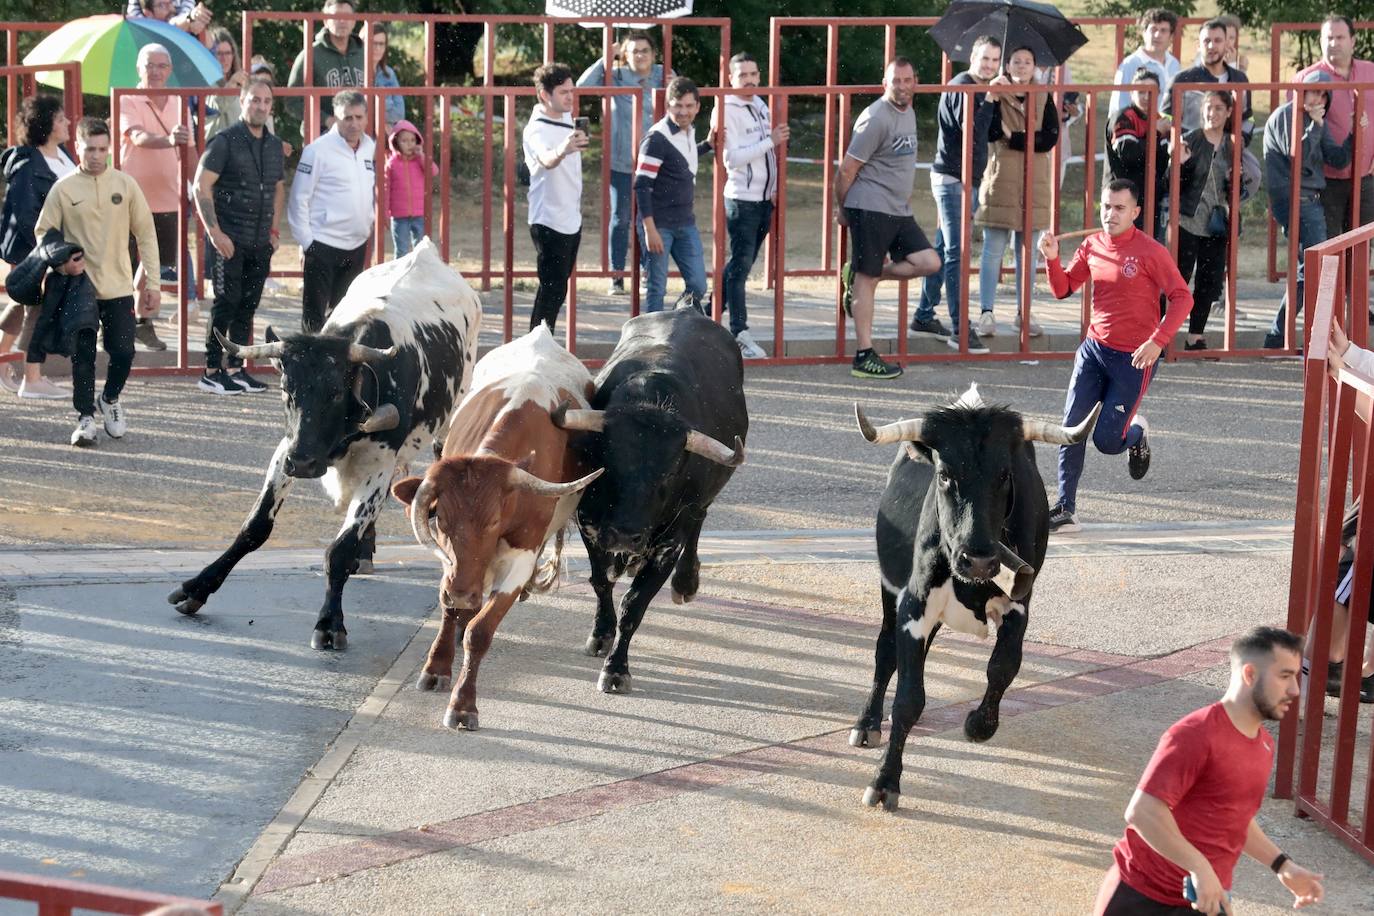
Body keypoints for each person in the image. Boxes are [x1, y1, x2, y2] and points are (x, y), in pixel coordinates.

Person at [1092, 626, 1325, 915]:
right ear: (1250, 675)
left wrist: (1282, 865)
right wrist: (1199, 866)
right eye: (1285, 676)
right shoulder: (1195, 734)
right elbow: (1143, 811)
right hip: (1142, 899)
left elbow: (1233, 817)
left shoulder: (1263, 744)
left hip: (1206, 898)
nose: (1295, 690)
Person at [1038, 180, 1192, 534]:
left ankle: (1136, 434)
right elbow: (1063, 288)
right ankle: (1066, 508)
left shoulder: (1151, 252)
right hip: (1093, 351)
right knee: (1070, 428)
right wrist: (1051, 260)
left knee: (1107, 442)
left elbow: (1183, 297)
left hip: (1135, 359)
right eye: (1106, 207)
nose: (1110, 214)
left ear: (1135, 212)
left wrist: (1158, 341)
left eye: (1119, 208)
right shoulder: (1092, 245)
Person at [35, 117, 160, 447]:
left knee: (123, 352)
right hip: (79, 287)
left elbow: (146, 234)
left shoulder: (125, 184)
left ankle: (111, 398)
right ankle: (85, 418)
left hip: (119, 286)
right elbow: (42, 233)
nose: (96, 156)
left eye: (103, 149)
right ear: (77, 146)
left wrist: (153, 284)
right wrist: (62, 263)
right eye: (90, 149)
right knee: (83, 355)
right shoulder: (63, 189)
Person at [837, 58, 940, 380]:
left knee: (929, 262)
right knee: (866, 281)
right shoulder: (876, 118)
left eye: (907, 80)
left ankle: (860, 276)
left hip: (897, 209)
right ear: (885, 82)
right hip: (869, 206)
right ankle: (863, 355)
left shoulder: (907, 111)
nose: (902, 86)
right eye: (896, 80)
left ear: (915, 82)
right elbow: (847, 169)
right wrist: (842, 209)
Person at [193, 76, 285, 395]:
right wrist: (214, 232)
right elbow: (200, 186)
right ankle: (211, 371)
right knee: (226, 303)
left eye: (266, 101)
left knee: (247, 305)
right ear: (242, 101)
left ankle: (235, 368)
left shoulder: (274, 146)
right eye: (254, 100)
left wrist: (274, 231)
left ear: (271, 107)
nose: (260, 106)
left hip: (260, 242)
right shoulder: (225, 141)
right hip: (228, 239)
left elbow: (277, 187)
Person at [912, 34, 1001, 350]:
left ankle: (923, 314)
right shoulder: (963, 85)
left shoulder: (982, 90)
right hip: (952, 179)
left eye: (994, 59)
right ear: (972, 57)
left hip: (968, 180)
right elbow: (972, 134)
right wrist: (989, 100)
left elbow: (994, 131)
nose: (989, 65)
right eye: (984, 58)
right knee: (956, 252)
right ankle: (960, 329)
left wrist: (997, 100)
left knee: (942, 248)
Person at [1263, 70, 1352, 350]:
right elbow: (1297, 158)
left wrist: (1353, 132)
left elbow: (1337, 160)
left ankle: (1278, 337)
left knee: (1310, 268)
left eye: (1322, 94)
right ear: (1301, 92)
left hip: (1310, 199)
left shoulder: (1315, 121)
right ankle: (1283, 336)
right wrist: (1315, 125)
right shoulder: (1285, 115)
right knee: (1316, 267)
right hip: (1296, 199)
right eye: (1312, 92)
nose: (1316, 98)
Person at [975, 46, 1059, 340]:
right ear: (1007, 65)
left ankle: (1025, 312)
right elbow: (990, 132)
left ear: (1035, 65)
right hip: (1001, 178)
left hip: (1035, 181)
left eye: (1028, 61)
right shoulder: (996, 92)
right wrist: (1017, 136)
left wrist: (1015, 137)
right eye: (1016, 61)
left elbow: (1050, 138)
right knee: (993, 250)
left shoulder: (1044, 94)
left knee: (1028, 253)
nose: (1022, 66)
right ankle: (986, 312)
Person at [577, 31, 668, 296]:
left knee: (650, 218)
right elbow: (581, 88)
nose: (640, 55)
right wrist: (607, 57)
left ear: (654, 54)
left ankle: (647, 272)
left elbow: (681, 98)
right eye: (634, 50)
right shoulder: (614, 75)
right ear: (625, 54)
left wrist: (675, 84)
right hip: (621, 160)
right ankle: (617, 275)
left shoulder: (662, 74)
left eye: (645, 50)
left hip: (655, 161)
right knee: (621, 218)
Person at [120, 43, 196, 353]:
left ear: (170, 70)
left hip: (169, 198)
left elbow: (189, 148)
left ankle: (140, 323)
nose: (155, 71)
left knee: (157, 265)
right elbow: (136, 136)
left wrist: (199, 185)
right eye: (149, 65)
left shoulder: (180, 103)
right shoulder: (127, 97)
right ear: (139, 69)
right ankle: (120, 324)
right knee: (123, 264)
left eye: (161, 66)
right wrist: (167, 140)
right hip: (130, 198)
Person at [0, 95, 75, 399]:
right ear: (46, 125)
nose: (67, 122)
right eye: (60, 119)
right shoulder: (30, 163)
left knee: (22, 305)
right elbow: (27, 214)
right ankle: (32, 379)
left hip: (53, 246)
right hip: (38, 250)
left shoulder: (62, 154)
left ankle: (4, 364)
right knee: (37, 310)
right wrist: (51, 253)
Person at [717, 51, 787, 360]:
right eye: (743, 75)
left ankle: (705, 312)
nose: (750, 80)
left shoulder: (759, 103)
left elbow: (768, 157)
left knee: (739, 265)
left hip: (762, 199)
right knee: (740, 267)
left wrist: (772, 187)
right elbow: (731, 159)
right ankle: (738, 330)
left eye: (753, 74)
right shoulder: (725, 107)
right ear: (731, 78)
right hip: (742, 199)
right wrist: (770, 140)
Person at [287, 90, 375, 333]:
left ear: (367, 118)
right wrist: (308, 242)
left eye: (359, 117)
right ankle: (309, 366)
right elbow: (298, 199)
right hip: (323, 245)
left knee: (345, 316)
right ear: (335, 119)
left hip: (356, 246)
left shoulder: (369, 148)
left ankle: (340, 369)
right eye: (347, 118)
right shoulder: (317, 151)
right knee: (314, 318)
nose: (354, 123)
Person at [1174, 90, 1254, 352]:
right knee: (1178, 280)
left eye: (1219, 108)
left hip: (1217, 223)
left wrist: (1236, 178)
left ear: (1229, 112)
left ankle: (1195, 336)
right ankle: (1163, 336)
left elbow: (1240, 191)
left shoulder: (1234, 144)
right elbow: (1169, 184)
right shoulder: (1191, 140)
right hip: (1188, 220)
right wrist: (1182, 164)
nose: (1212, 113)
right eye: (1209, 107)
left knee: (1208, 283)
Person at [634, 77, 709, 315]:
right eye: (677, 106)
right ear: (668, 105)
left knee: (698, 284)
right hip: (659, 225)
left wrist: (707, 145)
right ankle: (650, 344)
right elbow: (642, 185)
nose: (683, 112)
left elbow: (681, 160)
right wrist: (649, 229)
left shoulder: (687, 131)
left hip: (685, 222)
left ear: (697, 107)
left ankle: (675, 324)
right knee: (657, 288)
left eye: (688, 106)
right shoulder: (656, 138)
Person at [522, 62, 587, 333]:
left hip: (571, 217)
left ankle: (541, 344)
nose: (570, 97)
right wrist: (564, 149)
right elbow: (546, 160)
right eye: (563, 92)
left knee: (558, 291)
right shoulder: (536, 128)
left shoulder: (566, 120)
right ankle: (535, 348)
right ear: (544, 95)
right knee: (550, 293)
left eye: (571, 91)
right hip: (548, 220)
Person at [1298, 14, 1374, 242]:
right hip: (1325, 180)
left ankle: (1352, 281)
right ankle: (1332, 280)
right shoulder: (1305, 79)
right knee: (1328, 247)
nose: (1334, 43)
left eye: (1340, 37)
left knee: (1361, 247)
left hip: (1367, 176)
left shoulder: (1371, 72)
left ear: (1353, 40)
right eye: (1328, 37)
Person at [285, 0, 364, 138]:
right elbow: (292, 102)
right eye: (336, 16)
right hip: (322, 135)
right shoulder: (310, 54)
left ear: (354, 21)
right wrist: (326, 119)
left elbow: (375, 94)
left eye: (347, 16)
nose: (342, 21)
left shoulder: (364, 54)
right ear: (326, 21)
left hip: (359, 134)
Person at [1105, 70, 1171, 235]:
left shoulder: (1159, 119)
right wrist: (1155, 132)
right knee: (1123, 249)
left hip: (1150, 197)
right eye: (1141, 92)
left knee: (1147, 250)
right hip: (1121, 196)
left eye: (1151, 92)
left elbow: (1163, 161)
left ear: (1160, 94)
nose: (1146, 97)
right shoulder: (1124, 117)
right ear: (1131, 92)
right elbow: (1129, 155)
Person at [1163, 19, 1252, 139]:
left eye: (1218, 41)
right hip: (1190, 154)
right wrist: (1185, 142)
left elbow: (1247, 118)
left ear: (1226, 44)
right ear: (1198, 45)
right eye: (1207, 41)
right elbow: (1165, 119)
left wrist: (1241, 140)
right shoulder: (1181, 80)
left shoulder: (1240, 79)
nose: (1211, 46)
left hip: (1230, 155)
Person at [1109, 9, 1181, 121]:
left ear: (1171, 36)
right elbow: (1118, 107)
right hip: (1139, 132)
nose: (1158, 35)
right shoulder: (1130, 64)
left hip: (1168, 132)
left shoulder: (1174, 64)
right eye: (1153, 29)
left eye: (1163, 30)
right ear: (1144, 33)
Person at [385, 119, 438, 259]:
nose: (409, 144)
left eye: (412, 140)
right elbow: (386, 189)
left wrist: (421, 156)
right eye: (404, 141)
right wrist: (385, 211)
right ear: (396, 142)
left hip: (419, 213)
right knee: (401, 250)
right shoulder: (391, 164)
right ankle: (401, 277)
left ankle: (419, 276)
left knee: (420, 250)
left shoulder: (420, 160)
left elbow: (433, 171)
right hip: (399, 216)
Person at [204, 28, 247, 142]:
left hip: (238, 149)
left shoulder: (241, 82)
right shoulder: (204, 82)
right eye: (219, 54)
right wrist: (231, 84)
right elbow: (216, 107)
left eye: (228, 53)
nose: (224, 59)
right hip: (214, 148)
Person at [362, 22, 405, 133]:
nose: (377, 48)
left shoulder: (389, 73)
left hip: (385, 134)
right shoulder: (355, 71)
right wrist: (382, 116)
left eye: (381, 44)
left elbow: (399, 113)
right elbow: (357, 114)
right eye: (373, 43)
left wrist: (376, 114)